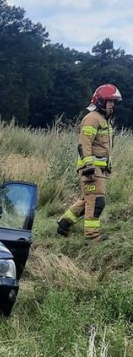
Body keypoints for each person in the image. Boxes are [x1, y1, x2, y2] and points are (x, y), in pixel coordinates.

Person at [57, 83, 122, 243]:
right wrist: (88, 167)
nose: (113, 105)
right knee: (97, 201)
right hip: (91, 169)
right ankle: (92, 235)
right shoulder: (92, 119)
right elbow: (84, 144)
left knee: (88, 200)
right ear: (101, 101)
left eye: (114, 102)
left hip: (99, 169)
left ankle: (64, 224)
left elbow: (102, 147)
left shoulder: (102, 120)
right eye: (110, 101)